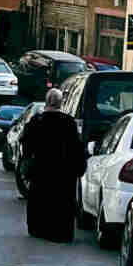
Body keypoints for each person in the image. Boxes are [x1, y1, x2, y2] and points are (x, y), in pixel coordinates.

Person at [19, 88, 87, 243]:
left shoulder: (36, 121)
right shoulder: (69, 122)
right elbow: (77, 147)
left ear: (46, 102)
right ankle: (60, 232)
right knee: (62, 203)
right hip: (64, 172)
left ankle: (39, 229)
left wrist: (28, 162)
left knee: (40, 200)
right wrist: (79, 167)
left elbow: (25, 144)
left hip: (40, 170)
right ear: (60, 103)